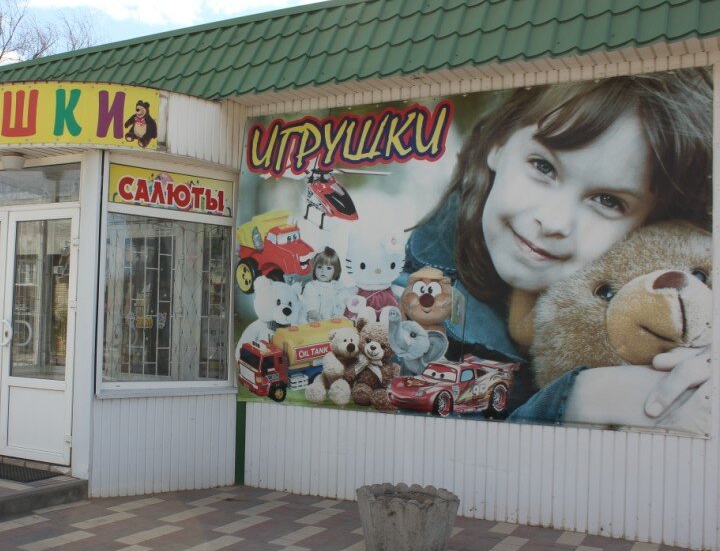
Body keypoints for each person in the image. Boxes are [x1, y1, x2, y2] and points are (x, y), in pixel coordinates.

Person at [404, 69, 713, 430]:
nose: (554, 221)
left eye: (607, 201)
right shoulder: (402, 307)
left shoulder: (658, 307)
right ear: (498, 143)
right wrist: (577, 399)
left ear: (651, 226)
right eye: (543, 166)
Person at [300, 247, 350, 321]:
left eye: (328, 268)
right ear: (314, 268)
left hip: (335, 322)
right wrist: (317, 316)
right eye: (319, 267)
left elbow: (346, 299)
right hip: (315, 323)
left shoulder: (338, 286)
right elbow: (309, 307)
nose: (323, 271)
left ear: (335, 270)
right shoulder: (311, 286)